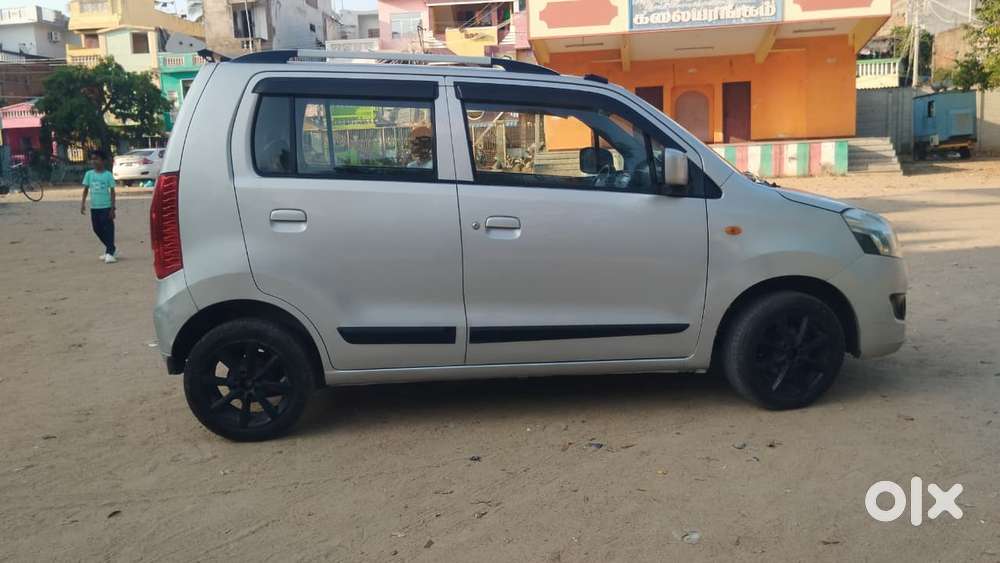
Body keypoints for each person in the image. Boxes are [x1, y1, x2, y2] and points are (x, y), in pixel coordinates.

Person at [80, 149, 118, 264]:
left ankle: (110, 252)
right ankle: (110, 248)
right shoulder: (89, 174)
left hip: (106, 207)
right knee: (97, 229)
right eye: (92, 159)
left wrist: (112, 208)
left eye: (96, 159)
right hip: (94, 207)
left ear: (102, 160)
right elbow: (86, 190)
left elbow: (112, 192)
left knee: (108, 229)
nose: (94, 161)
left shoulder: (108, 175)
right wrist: (82, 203)